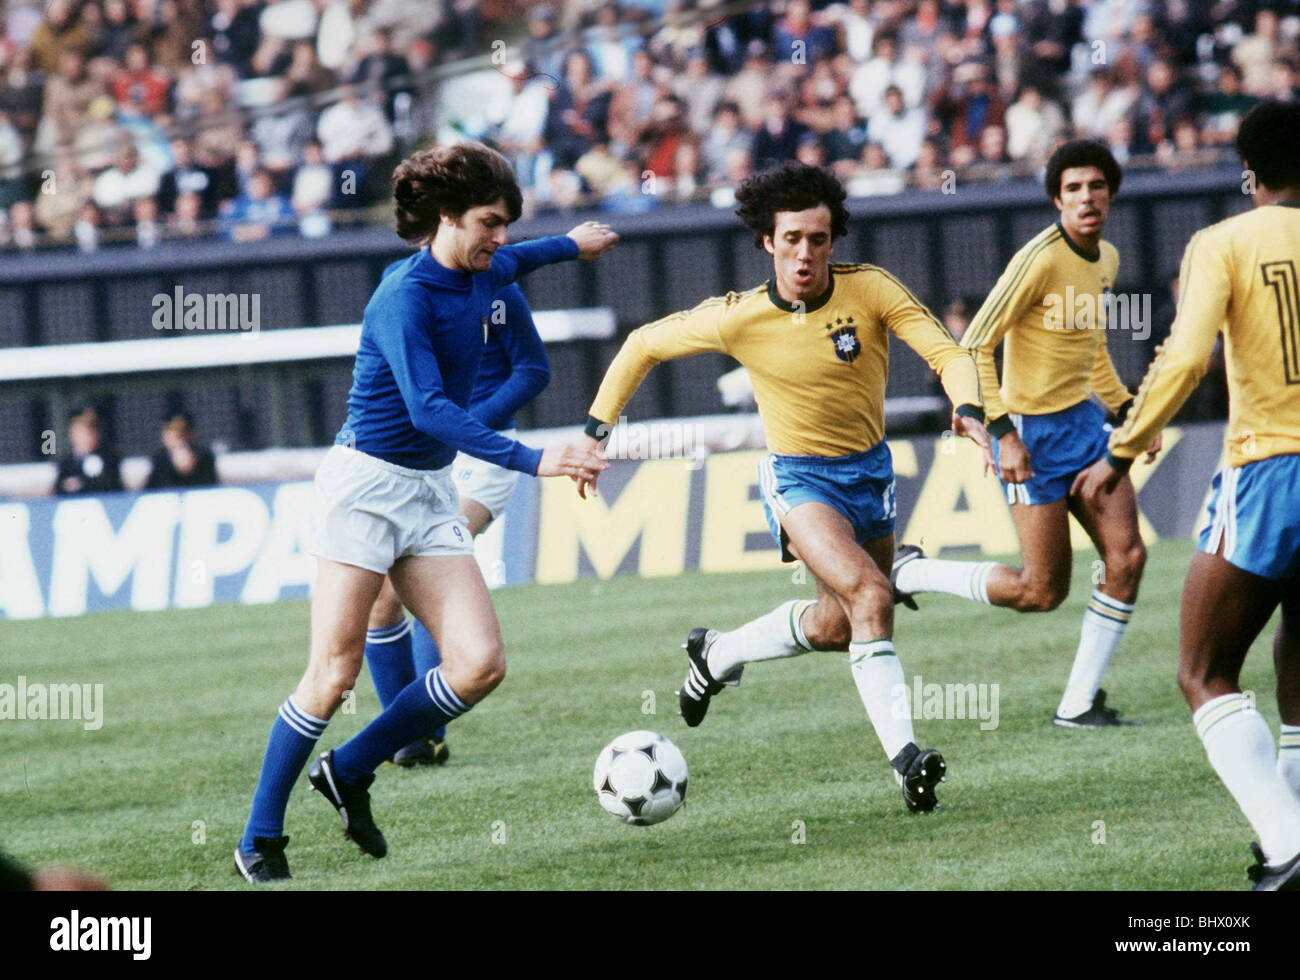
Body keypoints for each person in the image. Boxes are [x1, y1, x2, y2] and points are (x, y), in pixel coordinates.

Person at [234, 142, 615, 883]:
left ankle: (349, 769)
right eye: (488, 222)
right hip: (366, 492)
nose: (499, 237)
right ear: (446, 218)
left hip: (429, 492)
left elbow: (524, 258)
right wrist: (540, 460)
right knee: (332, 674)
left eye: (504, 223)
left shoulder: (485, 267)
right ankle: (259, 837)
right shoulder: (401, 296)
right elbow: (430, 411)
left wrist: (574, 245)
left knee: (479, 665)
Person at [576, 162, 991, 814]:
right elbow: (640, 346)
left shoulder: (873, 290)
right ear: (767, 241)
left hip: (871, 474)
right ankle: (908, 761)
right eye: (792, 238)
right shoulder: (739, 316)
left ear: (834, 240)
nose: (805, 253)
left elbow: (948, 352)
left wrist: (968, 408)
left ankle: (718, 654)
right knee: (871, 594)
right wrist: (596, 432)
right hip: (798, 479)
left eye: (818, 240)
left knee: (837, 626)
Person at [1074, 101, 1300, 891]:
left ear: (1249, 173)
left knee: (1203, 670)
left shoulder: (1224, 241)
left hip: (1272, 467)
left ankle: (1287, 843)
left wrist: (1122, 450)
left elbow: (1183, 359)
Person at [892, 140, 1160, 728]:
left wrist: (1126, 411)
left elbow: (1091, 350)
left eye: (1095, 186)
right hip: (1031, 440)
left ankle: (1079, 703)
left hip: (1085, 429)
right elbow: (975, 346)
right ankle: (912, 573)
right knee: (1041, 591)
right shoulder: (1038, 259)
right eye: (1073, 189)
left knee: (1128, 556)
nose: (1086, 198)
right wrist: (1002, 432)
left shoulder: (1106, 258)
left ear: (1111, 193)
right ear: (1057, 200)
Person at [364, 280, 549, 767]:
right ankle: (405, 737)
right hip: (421, 452)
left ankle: (428, 732)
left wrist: (469, 425)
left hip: (481, 453)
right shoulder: (404, 289)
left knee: (430, 571)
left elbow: (532, 372)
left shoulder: (497, 294)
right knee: (382, 596)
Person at [55, 406, 123, 496]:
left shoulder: (110, 460)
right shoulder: (66, 464)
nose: (87, 438)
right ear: (72, 435)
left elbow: (113, 487)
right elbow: (59, 490)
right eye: (81, 433)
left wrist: (81, 483)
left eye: (90, 432)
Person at [144, 412, 218, 489]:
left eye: (181, 432)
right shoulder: (159, 460)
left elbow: (209, 487)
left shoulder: (205, 457)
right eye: (169, 431)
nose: (176, 437)